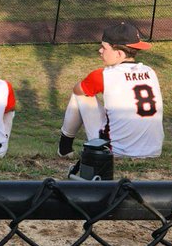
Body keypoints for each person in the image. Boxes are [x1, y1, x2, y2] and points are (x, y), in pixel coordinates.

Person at [57, 22, 163, 159]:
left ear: (119, 53)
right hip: (154, 152)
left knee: (81, 94)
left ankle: (64, 147)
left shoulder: (102, 75)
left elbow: (78, 90)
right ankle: (64, 148)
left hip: (115, 153)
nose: (100, 51)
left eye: (104, 47)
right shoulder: (150, 71)